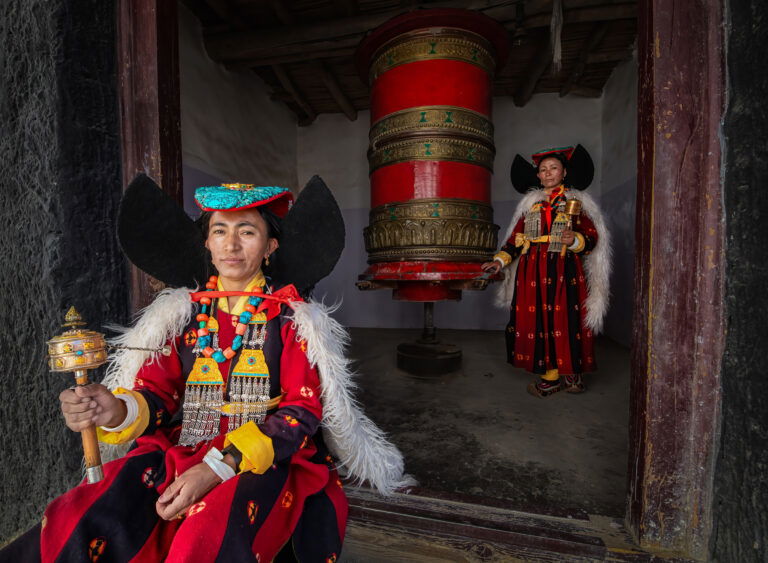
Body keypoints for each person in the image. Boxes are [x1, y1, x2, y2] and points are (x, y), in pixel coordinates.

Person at [1, 178, 412, 562]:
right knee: (90, 515)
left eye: (247, 232)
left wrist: (216, 467)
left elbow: (299, 413)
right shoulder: (182, 315)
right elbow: (158, 396)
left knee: (207, 534)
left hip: (259, 456)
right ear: (208, 243)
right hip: (181, 444)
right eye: (220, 231)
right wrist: (114, 410)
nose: (231, 244)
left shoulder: (291, 320)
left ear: (270, 246)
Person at [482, 146, 611, 397]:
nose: (548, 173)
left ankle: (573, 373)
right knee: (539, 321)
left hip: (566, 272)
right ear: (538, 177)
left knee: (568, 320)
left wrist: (574, 239)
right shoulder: (530, 206)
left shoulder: (577, 203)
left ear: (563, 173)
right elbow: (513, 241)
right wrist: (499, 261)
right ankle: (550, 376)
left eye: (553, 168)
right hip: (532, 272)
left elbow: (592, 238)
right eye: (543, 170)